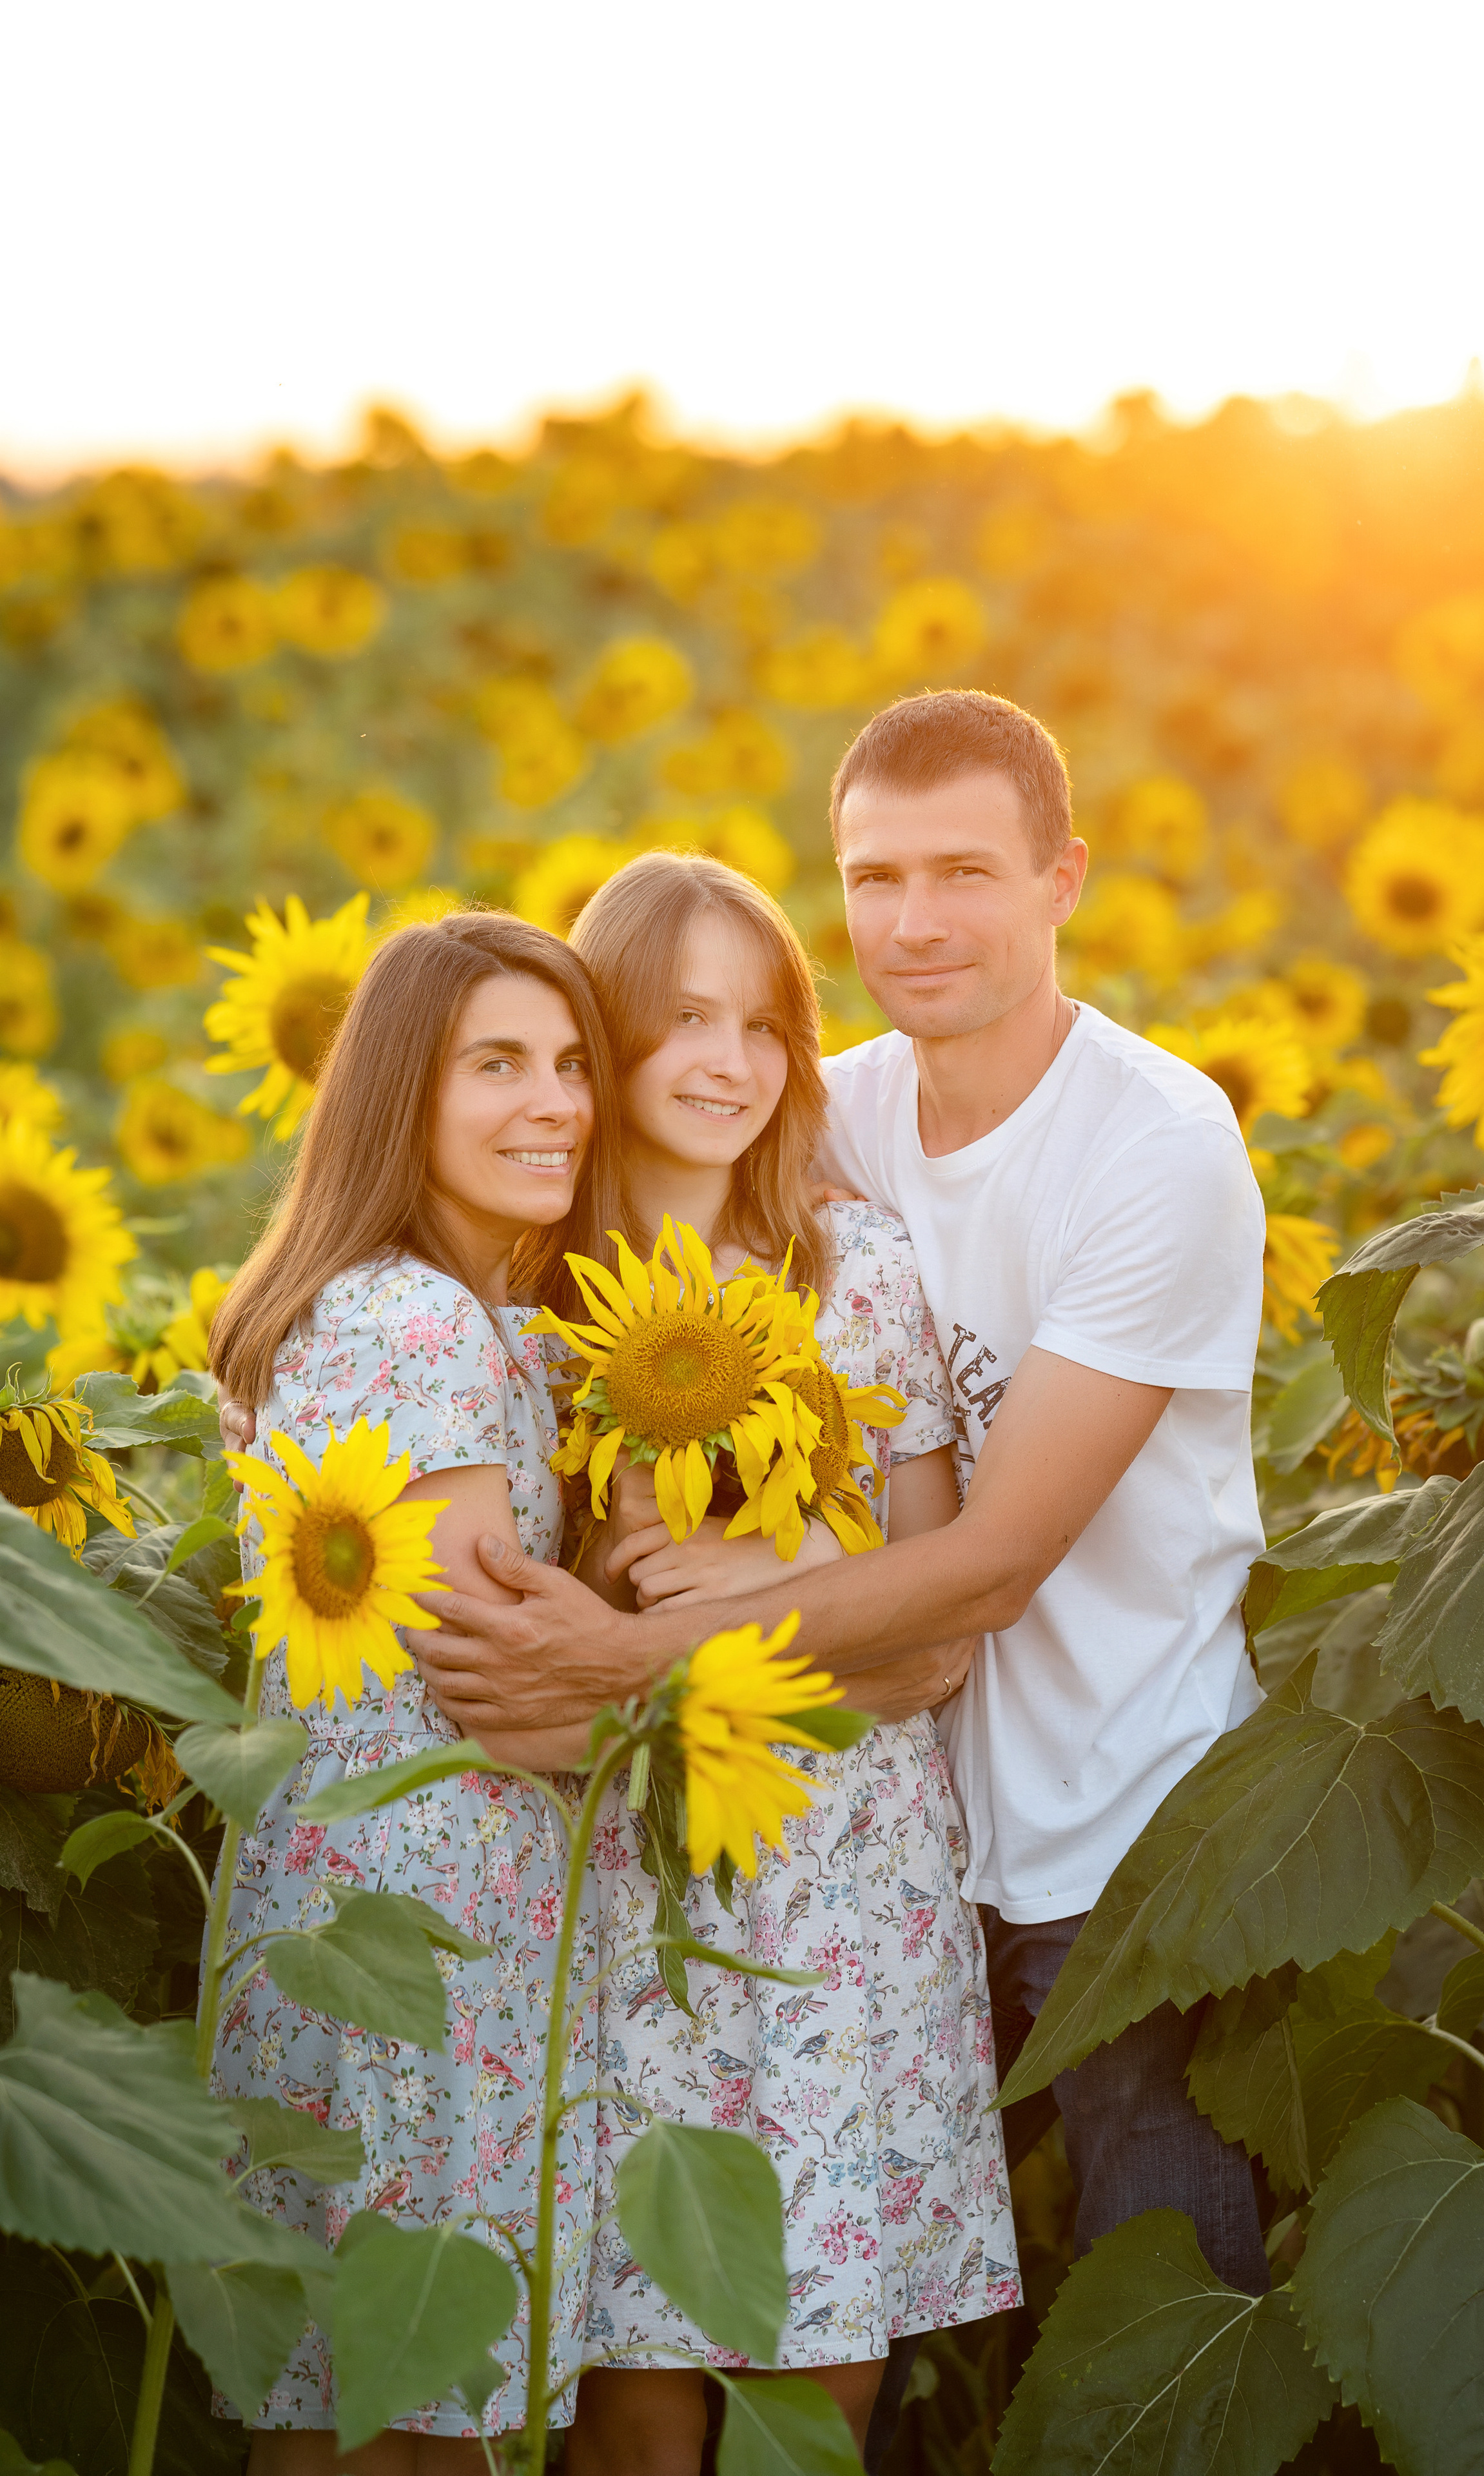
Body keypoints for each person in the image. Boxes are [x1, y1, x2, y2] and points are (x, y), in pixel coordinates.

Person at [409, 693, 1273, 2387]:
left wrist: (635, 1650)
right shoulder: (827, 1115)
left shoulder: (1153, 1146)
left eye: (964, 872)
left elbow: (989, 1563)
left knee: (1158, 2325)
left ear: (1062, 879)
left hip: (1115, 1814)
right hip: (876, 1823)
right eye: (876, 877)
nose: (915, 920)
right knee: (836, 2296)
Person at [554, 852, 1018, 2475]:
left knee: (825, 2360)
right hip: (622, 1883)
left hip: (839, 1881)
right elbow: (539, 1632)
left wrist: (775, 1575)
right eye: (684, 1019)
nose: (729, 1062)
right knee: (634, 2377)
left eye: (764, 1026)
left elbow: (934, 1625)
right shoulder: (534, 1294)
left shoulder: (851, 1268)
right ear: (607, 1033)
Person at [208, 911, 623, 2470]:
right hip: (427, 1907)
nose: (554, 1103)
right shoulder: (418, 1319)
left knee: (338, 2394)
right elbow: (496, 1669)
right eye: (496, 1065)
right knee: (425, 2396)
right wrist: (713, 1709)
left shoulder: (407, 1302)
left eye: (571, 1063)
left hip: (342, 1884)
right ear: (401, 1092)